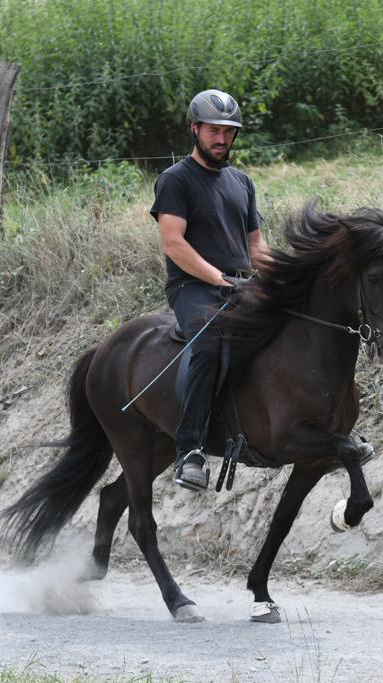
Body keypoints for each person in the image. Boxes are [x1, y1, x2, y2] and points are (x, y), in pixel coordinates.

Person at [149, 89, 270, 492]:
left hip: (240, 285)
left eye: (229, 132)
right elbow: (174, 244)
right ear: (194, 129)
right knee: (209, 336)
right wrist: (218, 277)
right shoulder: (175, 180)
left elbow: (256, 246)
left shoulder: (241, 182)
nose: (222, 139)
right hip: (192, 287)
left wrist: (280, 280)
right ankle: (191, 451)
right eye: (214, 131)